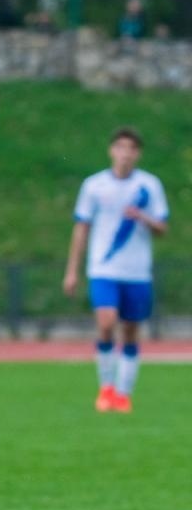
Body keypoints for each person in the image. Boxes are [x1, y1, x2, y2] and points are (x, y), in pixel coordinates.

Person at [62, 127, 169, 413]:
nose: (125, 153)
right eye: (120, 147)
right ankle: (106, 387)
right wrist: (72, 271)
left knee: (131, 330)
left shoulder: (149, 186)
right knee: (107, 323)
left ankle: (123, 393)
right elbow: (81, 228)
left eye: (131, 148)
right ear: (112, 151)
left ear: (138, 154)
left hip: (137, 271)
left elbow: (162, 228)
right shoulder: (94, 185)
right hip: (103, 268)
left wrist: (143, 217)